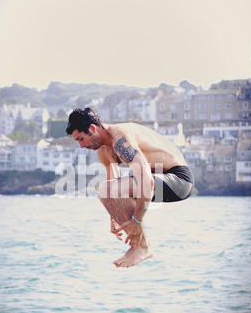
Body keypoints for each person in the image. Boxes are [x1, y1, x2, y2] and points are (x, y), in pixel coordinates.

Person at [66, 107, 194, 268]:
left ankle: (142, 247)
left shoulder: (121, 138)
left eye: (81, 139)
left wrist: (137, 220)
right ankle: (139, 247)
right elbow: (111, 188)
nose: (81, 146)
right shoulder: (103, 150)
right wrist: (114, 216)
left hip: (179, 179)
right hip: (156, 179)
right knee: (105, 189)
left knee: (114, 189)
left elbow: (147, 181)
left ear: (92, 128)